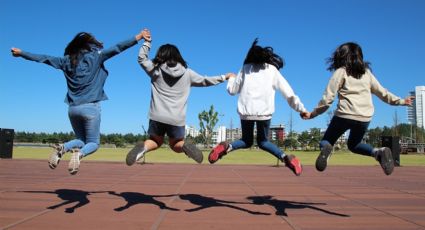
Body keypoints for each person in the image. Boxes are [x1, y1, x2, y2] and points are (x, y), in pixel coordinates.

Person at [11, 30, 146, 175]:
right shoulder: (96, 57)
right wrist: (138, 37)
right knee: (93, 143)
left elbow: (44, 58)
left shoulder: (66, 60)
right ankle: (79, 155)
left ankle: (63, 147)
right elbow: (118, 48)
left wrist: (21, 53)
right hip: (91, 108)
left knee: (81, 140)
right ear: (88, 46)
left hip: (73, 109)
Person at [301, 42, 414, 175]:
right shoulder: (367, 74)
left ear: (341, 57)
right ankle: (378, 152)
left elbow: (327, 100)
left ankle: (327, 148)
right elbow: (383, 93)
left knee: (326, 141)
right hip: (364, 118)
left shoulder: (341, 72)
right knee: (354, 145)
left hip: (344, 115)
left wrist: (313, 114)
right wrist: (401, 101)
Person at [126, 29, 233, 165]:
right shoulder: (188, 74)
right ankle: (184, 146)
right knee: (176, 144)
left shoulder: (156, 70)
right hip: (176, 118)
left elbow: (141, 59)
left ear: (160, 55)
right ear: (178, 56)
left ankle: (143, 148)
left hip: (157, 116)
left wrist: (147, 43)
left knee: (155, 141)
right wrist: (225, 77)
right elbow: (206, 80)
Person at [208, 38, 307, 176]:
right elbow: (288, 93)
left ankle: (226, 147)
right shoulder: (272, 70)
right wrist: (301, 109)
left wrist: (231, 77)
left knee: (246, 140)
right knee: (263, 141)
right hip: (264, 114)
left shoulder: (245, 69)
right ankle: (286, 158)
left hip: (246, 113)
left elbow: (232, 91)